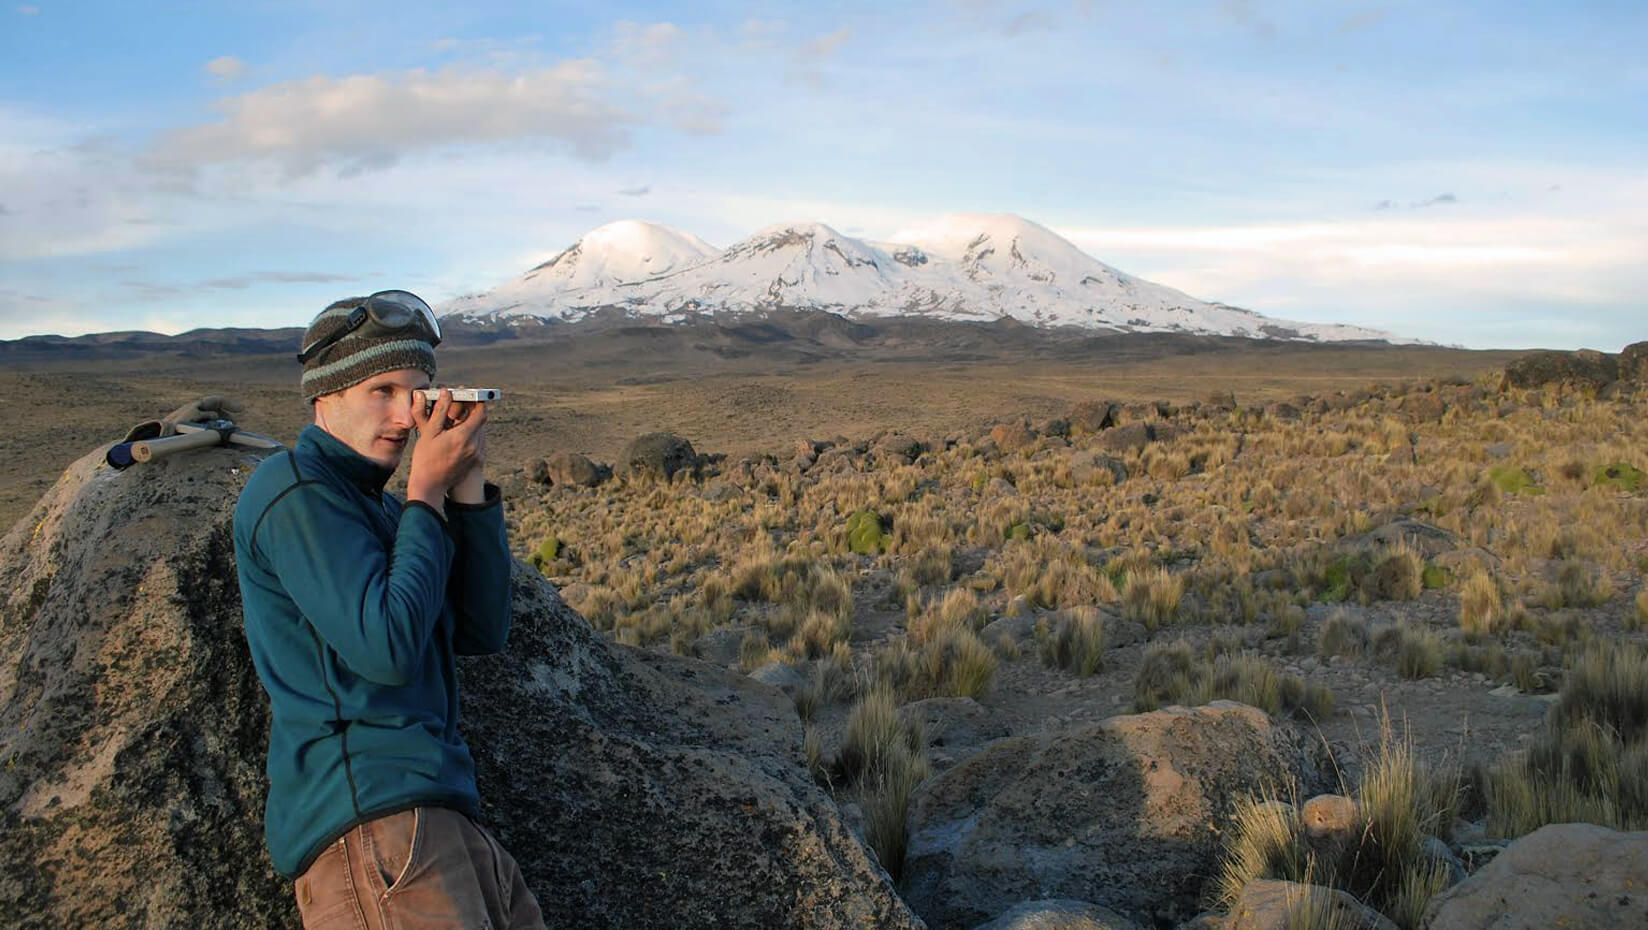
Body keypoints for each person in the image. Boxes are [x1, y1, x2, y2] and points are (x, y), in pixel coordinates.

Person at [232, 290, 545, 929]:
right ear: (326, 397)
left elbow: (484, 627)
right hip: (375, 830)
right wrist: (425, 491)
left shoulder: (379, 508)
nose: (407, 416)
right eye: (383, 390)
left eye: (419, 393)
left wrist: (465, 486)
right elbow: (389, 647)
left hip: (441, 820)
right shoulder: (293, 491)